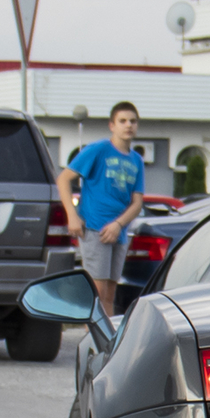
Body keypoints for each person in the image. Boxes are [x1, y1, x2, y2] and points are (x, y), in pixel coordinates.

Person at [61, 101, 146, 315]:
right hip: (94, 228)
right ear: (112, 125)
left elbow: (137, 203)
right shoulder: (98, 150)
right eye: (123, 121)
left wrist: (119, 225)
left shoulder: (136, 160)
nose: (128, 125)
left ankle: (107, 345)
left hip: (118, 232)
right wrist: (72, 215)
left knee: (110, 292)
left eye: (133, 121)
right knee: (97, 291)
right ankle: (94, 343)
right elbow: (63, 179)